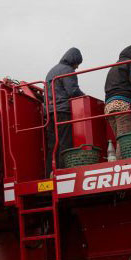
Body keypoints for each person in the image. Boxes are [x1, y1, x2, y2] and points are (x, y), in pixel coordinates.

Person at [45, 47, 85, 175]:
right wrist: (85, 96)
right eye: (78, 63)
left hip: (50, 112)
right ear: (74, 60)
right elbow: (73, 91)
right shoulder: (68, 70)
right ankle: (63, 172)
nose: (77, 67)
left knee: (52, 145)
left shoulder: (51, 71)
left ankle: (50, 172)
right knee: (65, 142)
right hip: (63, 111)